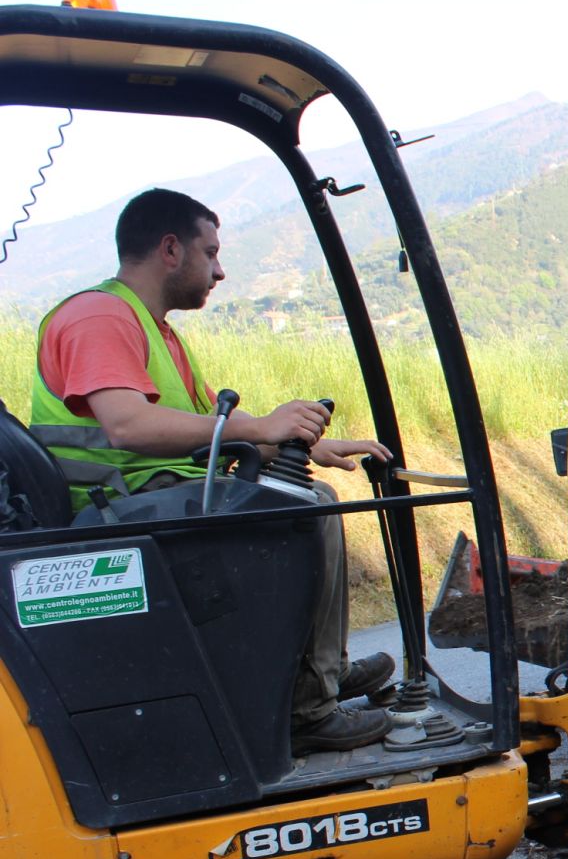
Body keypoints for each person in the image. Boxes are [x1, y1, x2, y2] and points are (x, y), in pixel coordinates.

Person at [31, 188, 395, 753]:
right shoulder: (99, 316)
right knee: (306, 509)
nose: (220, 270)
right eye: (212, 252)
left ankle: (315, 671)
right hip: (111, 510)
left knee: (309, 492)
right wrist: (260, 430)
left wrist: (302, 442)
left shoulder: (159, 333)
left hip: (156, 493)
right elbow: (128, 426)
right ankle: (307, 705)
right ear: (171, 249)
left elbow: (212, 425)